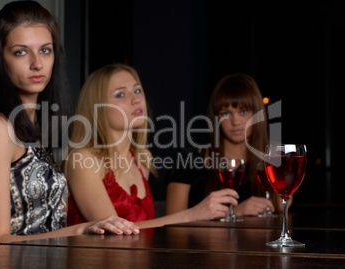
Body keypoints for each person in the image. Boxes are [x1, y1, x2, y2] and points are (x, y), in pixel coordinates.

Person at [0, 1, 139, 247]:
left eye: (45, 50)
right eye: (21, 52)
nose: (37, 63)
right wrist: (81, 229)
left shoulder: (32, 131)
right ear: (0, 59)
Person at [64, 63, 239, 229]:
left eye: (137, 90)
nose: (136, 99)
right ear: (98, 107)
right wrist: (192, 214)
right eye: (120, 94)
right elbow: (116, 231)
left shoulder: (141, 159)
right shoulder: (82, 159)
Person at [165, 73, 286, 217]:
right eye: (226, 113)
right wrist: (233, 212)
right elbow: (171, 223)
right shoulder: (188, 158)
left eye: (243, 111)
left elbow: (281, 207)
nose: (235, 121)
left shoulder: (268, 162)